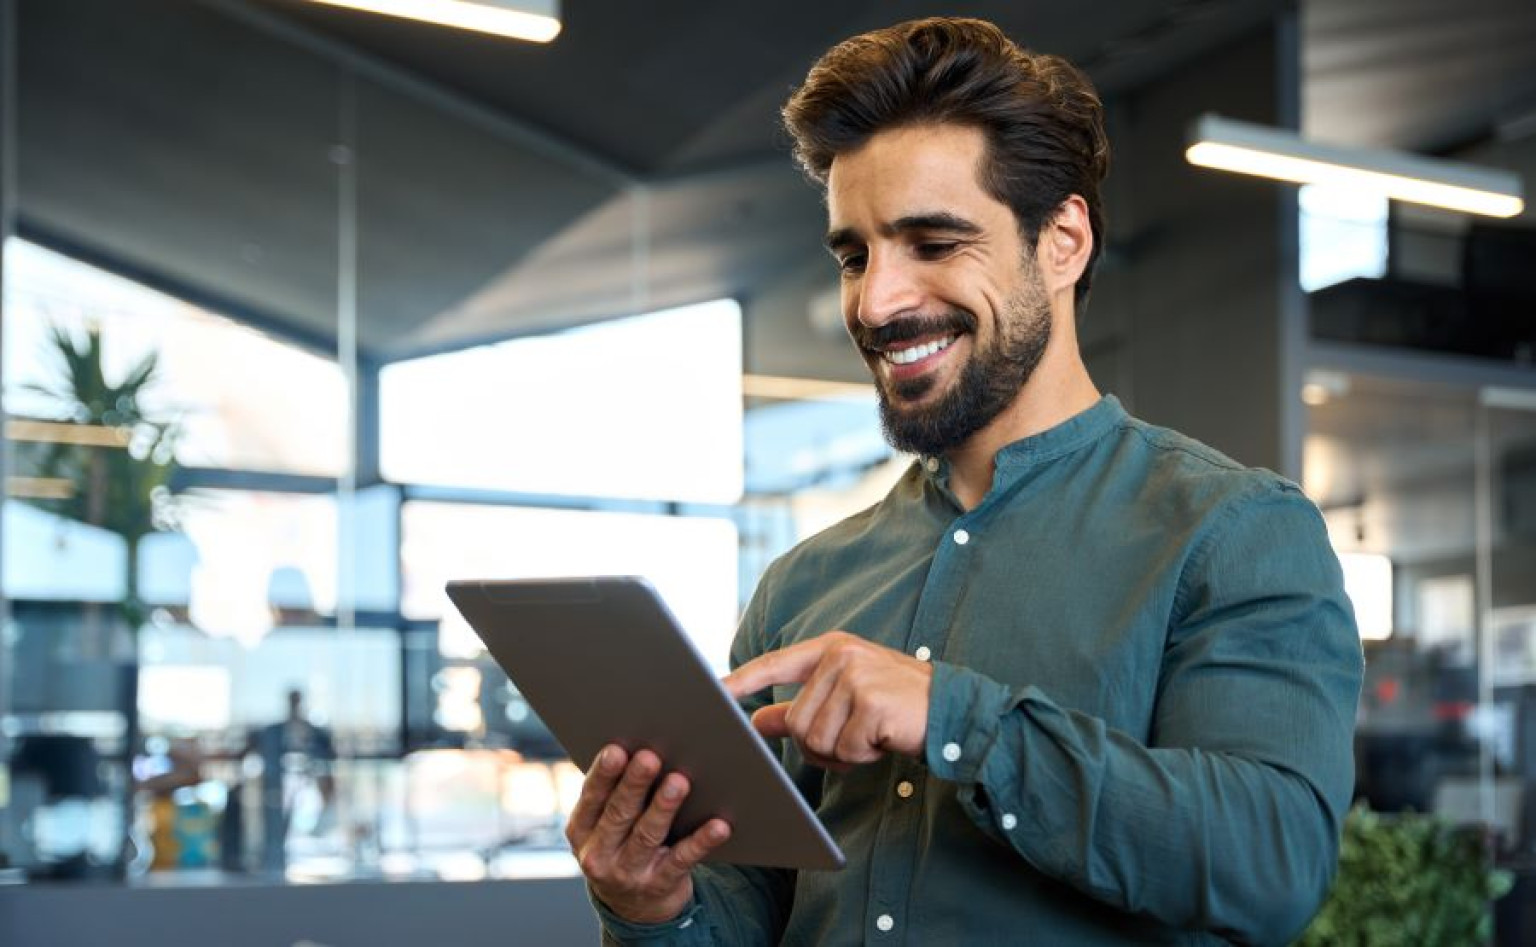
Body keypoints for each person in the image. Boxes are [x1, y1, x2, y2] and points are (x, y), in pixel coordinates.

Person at [568, 17, 1363, 945]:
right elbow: (749, 909)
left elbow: (1271, 865)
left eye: (933, 244)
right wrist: (654, 903)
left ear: (1062, 241)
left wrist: (956, 716)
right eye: (855, 254)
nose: (875, 301)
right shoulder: (804, 584)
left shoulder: (1230, 533)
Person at [247, 687, 337, 872]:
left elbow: (326, 770)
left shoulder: (316, 734)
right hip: (279, 791)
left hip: (305, 788)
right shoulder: (273, 732)